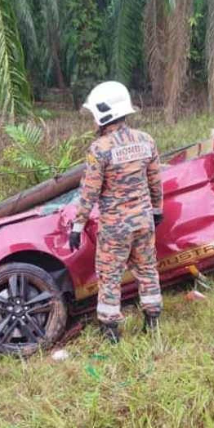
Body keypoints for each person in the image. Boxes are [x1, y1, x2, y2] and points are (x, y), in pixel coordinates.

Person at [69, 81, 163, 342]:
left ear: (103, 112)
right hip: (144, 221)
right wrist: (157, 209)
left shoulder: (100, 149)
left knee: (109, 276)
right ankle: (152, 323)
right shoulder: (146, 141)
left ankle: (111, 332)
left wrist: (78, 226)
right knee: (147, 270)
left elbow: (89, 192)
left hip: (115, 227)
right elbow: (156, 181)